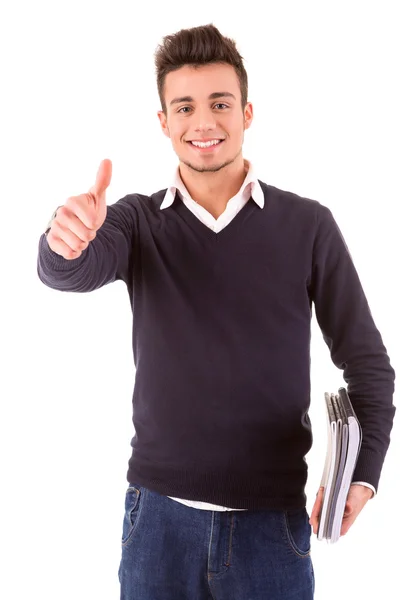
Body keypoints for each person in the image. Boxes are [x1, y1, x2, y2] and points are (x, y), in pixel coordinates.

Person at [37, 22, 396, 600]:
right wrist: (64, 239)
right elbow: (68, 269)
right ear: (164, 123)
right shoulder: (134, 220)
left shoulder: (308, 225)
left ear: (247, 114)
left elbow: (369, 365)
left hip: (271, 532)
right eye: (184, 107)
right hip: (156, 526)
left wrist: (366, 471)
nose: (203, 123)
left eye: (220, 103)